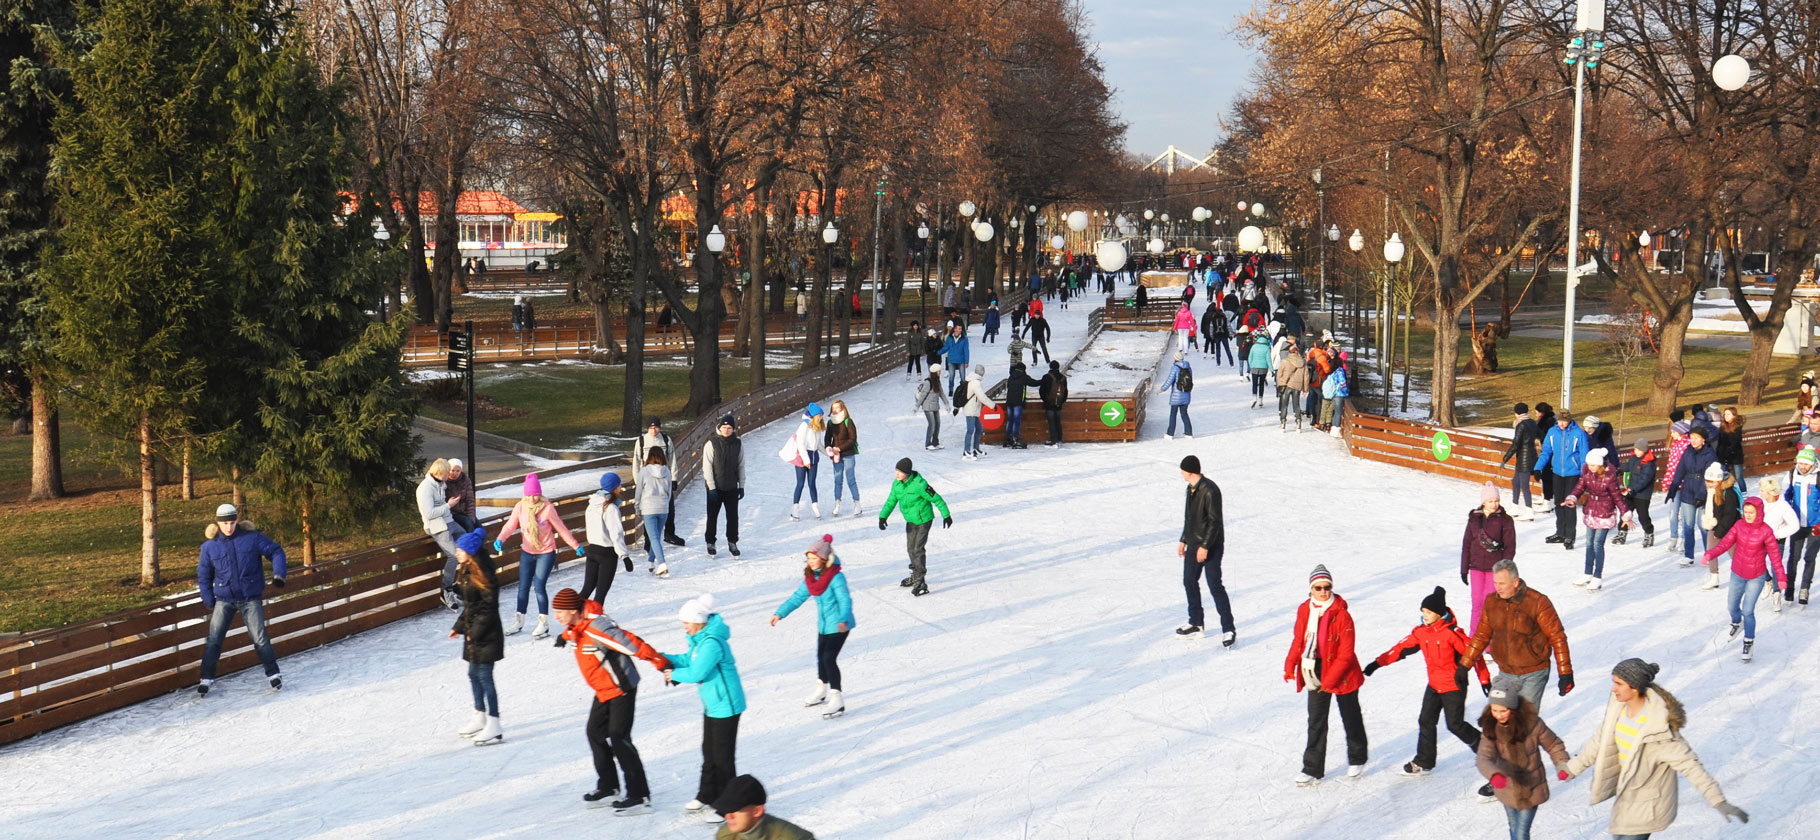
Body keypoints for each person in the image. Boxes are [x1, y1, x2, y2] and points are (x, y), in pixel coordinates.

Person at [1561, 659, 1751, 837]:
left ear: (1634, 688)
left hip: (1649, 807)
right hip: (1626, 800)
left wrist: (1718, 801)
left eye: (1618, 683)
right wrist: (1572, 768)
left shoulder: (1659, 728)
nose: (1613, 688)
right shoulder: (1618, 710)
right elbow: (1599, 742)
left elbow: (1690, 766)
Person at [553, 587, 671, 815]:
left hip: (621, 688)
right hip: (604, 690)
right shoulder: (576, 624)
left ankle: (639, 795)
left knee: (619, 738)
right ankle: (609, 787)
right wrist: (564, 636)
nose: (556, 616)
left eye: (559, 612)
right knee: (595, 733)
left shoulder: (598, 628)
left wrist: (660, 662)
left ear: (572, 610)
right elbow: (576, 629)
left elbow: (631, 643)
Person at [1361, 586, 1489, 776]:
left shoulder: (1452, 633)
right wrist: (1377, 663)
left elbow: (1475, 655)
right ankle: (1424, 761)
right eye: (1423, 612)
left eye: (1429, 612)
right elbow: (1400, 648)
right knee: (1426, 721)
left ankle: (1487, 751)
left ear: (1439, 613)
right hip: (1435, 685)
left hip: (1454, 685)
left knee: (1455, 725)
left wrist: (1485, 681)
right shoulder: (1422, 632)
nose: (1425, 615)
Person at [661, 594, 748, 824]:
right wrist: (662, 658)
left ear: (698, 620)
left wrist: (673, 674)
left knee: (723, 758)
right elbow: (688, 660)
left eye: (686, 622)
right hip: (713, 704)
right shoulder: (699, 640)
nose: (684, 626)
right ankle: (707, 794)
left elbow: (697, 672)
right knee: (709, 752)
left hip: (726, 706)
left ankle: (729, 806)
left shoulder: (711, 643)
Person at [1284, 564, 1367, 785]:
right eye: (1318, 587)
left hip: (1343, 672)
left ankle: (1357, 757)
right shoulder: (1305, 610)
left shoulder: (1342, 615)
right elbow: (1299, 639)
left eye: (1327, 587)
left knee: (1350, 716)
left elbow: (1346, 653)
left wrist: (1330, 681)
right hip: (1315, 669)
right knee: (1316, 720)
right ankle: (1312, 768)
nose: (1323, 592)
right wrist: (1289, 665)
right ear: (1311, 589)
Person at [1462, 560, 1574, 714]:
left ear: (1515, 582)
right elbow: (1481, 636)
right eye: (1495, 583)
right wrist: (1464, 666)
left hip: (1533, 673)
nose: (1497, 588)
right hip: (1505, 672)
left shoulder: (1537, 602)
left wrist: (1565, 672)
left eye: (1502, 583)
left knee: (1523, 724)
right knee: (1500, 721)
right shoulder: (1492, 602)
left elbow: (1557, 637)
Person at [196, 503, 286, 695]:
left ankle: (274, 674)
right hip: (224, 599)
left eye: (232, 522)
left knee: (260, 638)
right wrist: (208, 600)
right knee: (214, 640)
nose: (229, 527)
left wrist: (279, 574)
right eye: (225, 523)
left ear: (237, 521)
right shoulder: (210, 547)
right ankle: (206, 678)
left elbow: (276, 551)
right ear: (218, 524)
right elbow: (204, 575)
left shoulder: (251, 538)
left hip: (250, 597)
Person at [770, 534, 855, 719]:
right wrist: (780, 613)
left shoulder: (835, 577)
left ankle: (836, 697)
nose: (811, 561)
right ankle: (821, 689)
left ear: (824, 558)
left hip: (840, 624)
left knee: (828, 658)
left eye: (814, 558)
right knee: (820, 656)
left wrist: (843, 620)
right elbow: (797, 597)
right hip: (824, 625)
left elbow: (845, 600)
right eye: (808, 558)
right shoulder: (811, 578)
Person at [1477, 674, 1571, 839]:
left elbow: (1553, 744)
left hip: (1531, 788)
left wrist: (1562, 764)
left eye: (1503, 711)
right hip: (1506, 789)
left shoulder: (1532, 723)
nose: (1498, 715)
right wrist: (1495, 774)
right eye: (1494, 710)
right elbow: (1483, 757)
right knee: (1513, 828)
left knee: (1521, 834)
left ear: (1512, 708)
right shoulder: (1490, 727)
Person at [496, 473, 584, 637]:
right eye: (529, 495)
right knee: (523, 587)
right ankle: (519, 620)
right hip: (527, 552)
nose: (532, 498)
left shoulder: (548, 508)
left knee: (539, 586)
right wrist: (500, 539)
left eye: (535, 494)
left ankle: (543, 623)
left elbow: (561, 528)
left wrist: (575, 545)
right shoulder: (520, 507)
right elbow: (509, 526)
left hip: (546, 553)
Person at [1702, 497, 1785, 661]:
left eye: (1751, 512)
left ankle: (1748, 641)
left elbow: (1775, 557)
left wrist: (1781, 576)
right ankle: (1736, 623)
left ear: (1759, 513)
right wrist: (1710, 553)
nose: (1747, 515)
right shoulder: (1739, 526)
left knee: (1747, 610)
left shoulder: (1766, 531)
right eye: (1745, 512)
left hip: (1756, 576)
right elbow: (1725, 543)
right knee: (1732, 606)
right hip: (1738, 573)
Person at [449, 530, 504, 745]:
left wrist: (473, 633)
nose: (457, 553)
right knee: (473, 674)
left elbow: (488, 608)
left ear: (470, 552)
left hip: (487, 634)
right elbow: (472, 606)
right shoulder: (467, 570)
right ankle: (479, 715)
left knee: (485, 677)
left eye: (460, 550)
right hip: (475, 632)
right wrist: (459, 627)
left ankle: (494, 723)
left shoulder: (484, 575)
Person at [1176, 455, 1235, 645]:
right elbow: (1189, 518)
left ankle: (1229, 629)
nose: (1181, 473)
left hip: (1212, 545)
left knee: (1214, 585)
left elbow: (1214, 521)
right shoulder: (1190, 489)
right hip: (1194, 543)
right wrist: (1184, 540)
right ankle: (1196, 622)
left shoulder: (1210, 490)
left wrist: (1205, 546)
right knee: (1189, 581)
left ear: (1191, 471)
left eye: (1183, 470)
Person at [878, 457, 951, 597]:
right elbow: (890, 501)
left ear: (907, 472)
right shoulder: (897, 485)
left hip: (924, 519)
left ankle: (920, 581)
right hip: (911, 520)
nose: (897, 474)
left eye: (900, 472)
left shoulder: (920, 485)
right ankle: (915, 575)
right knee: (911, 549)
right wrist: (883, 516)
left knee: (918, 549)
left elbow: (937, 499)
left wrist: (946, 515)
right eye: (896, 471)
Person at [1564, 449, 1627, 589]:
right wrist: (1572, 498)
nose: (1590, 467)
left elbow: (1617, 496)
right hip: (1591, 511)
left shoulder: (1609, 477)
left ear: (1600, 465)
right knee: (1589, 543)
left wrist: (1625, 512)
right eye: (1589, 464)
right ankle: (1587, 573)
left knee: (1598, 544)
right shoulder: (1587, 473)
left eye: (1593, 465)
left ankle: (1597, 576)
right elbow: (1579, 488)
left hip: (1605, 512)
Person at [1461, 481, 1518, 634]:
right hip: (1476, 567)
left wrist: (1504, 569)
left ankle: (1489, 643)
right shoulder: (1474, 519)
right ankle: (1474, 639)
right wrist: (1464, 569)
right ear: (1484, 502)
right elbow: (1467, 544)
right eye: (1491, 501)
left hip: (1496, 569)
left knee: (1491, 604)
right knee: (1477, 603)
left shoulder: (1505, 520)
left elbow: (1510, 547)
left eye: (1496, 501)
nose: (1494, 504)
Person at [1663, 427, 1719, 565]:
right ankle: (1689, 555)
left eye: (1697, 438)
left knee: (1703, 525)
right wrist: (1673, 488)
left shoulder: (1709, 454)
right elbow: (1680, 470)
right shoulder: (1687, 451)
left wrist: (1702, 494)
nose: (1693, 441)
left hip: (1702, 491)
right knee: (1688, 525)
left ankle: (1709, 554)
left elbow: (1709, 477)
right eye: (1692, 437)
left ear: (1703, 439)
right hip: (1687, 491)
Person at [417, 459, 469, 604]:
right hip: (436, 526)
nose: (450, 475)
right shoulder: (425, 488)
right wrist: (448, 505)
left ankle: (459, 585)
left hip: (448, 521)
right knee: (453, 556)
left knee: (468, 545)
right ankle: (446, 591)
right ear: (440, 473)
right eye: (448, 472)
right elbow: (428, 514)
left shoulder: (440, 483)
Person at [1536, 410, 1590, 549]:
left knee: (1569, 503)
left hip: (1573, 473)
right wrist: (1538, 468)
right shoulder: (1553, 432)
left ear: (1569, 421)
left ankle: (1570, 536)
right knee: (1559, 502)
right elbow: (1546, 451)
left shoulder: (1579, 434)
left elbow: (1585, 456)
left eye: (1564, 421)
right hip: (1557, 472)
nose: (1561, 424)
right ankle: (1560, 532)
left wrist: (1585, 475)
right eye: (1560, 421)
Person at [633, 417, 686, 547]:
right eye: (651, 428)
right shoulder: (641, 441)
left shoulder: (666, 440)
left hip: (664, 478)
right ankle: (648, 539)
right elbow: (636, 462)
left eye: (656, 427)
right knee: (648, 510)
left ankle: (669, 534)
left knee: (669, 507)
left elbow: (672, 459)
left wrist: (674, 478)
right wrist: (637, 480)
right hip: (648, 479)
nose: (654, 430)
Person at [712, 775, 816, 840]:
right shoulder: (725, 835)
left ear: (757, 811)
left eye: (735, 809)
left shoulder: (793, 837)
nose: (728, 816)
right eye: (726, 809)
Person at [582, 472, 633, 603]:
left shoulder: (591, 505)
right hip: (607, 554)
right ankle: (594, 621)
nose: (621, 487)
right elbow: (616, 534)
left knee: (587, 589)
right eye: (619, 485)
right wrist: (625, 556)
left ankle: (572, 615)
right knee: (600, 594)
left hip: (592, 551)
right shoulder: (610, 508)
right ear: (615, 488)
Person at [702, 414, 745, 556]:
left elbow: (741, 465)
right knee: (712, 516)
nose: (726, 430)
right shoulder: (711, 443)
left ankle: (732, 541)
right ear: (719, 428)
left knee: (733, 517)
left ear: (733, 429)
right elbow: (707, 467)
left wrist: (741, 485)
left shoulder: (737, 444)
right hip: (715, 487)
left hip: (732, 487)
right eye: (724, 427)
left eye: (729, 428)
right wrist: (711, 487)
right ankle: (710, 541)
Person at [1696, 462, 1743, 588]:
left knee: (1735, 554)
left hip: (1730, 529)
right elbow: (1712, 508)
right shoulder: (1712, 491)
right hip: (1715, 525)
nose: (1709, 484)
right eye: (1707, 481)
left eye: (1712, 481)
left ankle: (1744, 576)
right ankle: (1714, 577)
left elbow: (1730, 515)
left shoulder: (1729, 493)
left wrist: (1720, 532)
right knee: (1711, 552)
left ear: (1719, 480)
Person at [1783, 445, 1820, 606]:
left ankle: (1805, 588)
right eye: (1801, 463)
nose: (1803, 467)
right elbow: (1784, 498)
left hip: (1815, 525)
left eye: (1806, 464)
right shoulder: (1791, 475)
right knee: (1794, 557)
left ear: (1813, 464)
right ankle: (1790, 587)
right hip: (1797, 524)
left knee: (1810, 557)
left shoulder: (1818, 477)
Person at [1757, 475, 1798, 614]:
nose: (1760, 493)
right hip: (1760, 539)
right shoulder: (1760, 502)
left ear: (1769, 492)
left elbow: (1794, 525)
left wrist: (1778, 534)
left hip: (1776, 540)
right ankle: (1767, 580)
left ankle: (1776, 594)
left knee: (1776, 566)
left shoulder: (1783, 506)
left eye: (1762, 490)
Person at [779, 404, 826, 520]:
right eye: (819, 415)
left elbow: (818, 445)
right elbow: (800, 444)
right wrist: (806, 460)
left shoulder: (817, 427)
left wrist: (828, 453)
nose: (821, 418)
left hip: (814, 457)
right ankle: (795, 510)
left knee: (812, 483)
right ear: (814, 415)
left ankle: (815, 507)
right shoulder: (804, 426)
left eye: (821, 416)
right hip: (803, 458)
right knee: (800, 483)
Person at [636, 448, 675, 578]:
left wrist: (637, 507)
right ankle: (651, 562)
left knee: (653, 537)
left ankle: (662, 564)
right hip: (663, 508)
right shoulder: (667, 471)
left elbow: (639, 491)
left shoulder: (644, 471)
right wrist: (665, 504)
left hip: (649, 508)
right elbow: (669, 492)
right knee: (656, 537)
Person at [1613, 440, 1656, 547]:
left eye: (1639, 450)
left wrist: (1633, 489)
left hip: (1642, 495)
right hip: (1631, 493)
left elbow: (1644, 480)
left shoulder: (1648, 463)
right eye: (1635, 449)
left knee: (1643, 516)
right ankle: (1622, 533)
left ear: (1644, 450)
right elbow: (1627, 467)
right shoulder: (1634, 459)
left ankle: (1649, 534)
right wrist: (1619, 470)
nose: (1636, 451)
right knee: (1625, 513)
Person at [1501, 403, 1540, 518]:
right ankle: (1515, 506)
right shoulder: (1532, 422)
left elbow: (1516, 443)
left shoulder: (1521, 425)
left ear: (1516, 413)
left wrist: (1505, 459)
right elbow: (1540, 435)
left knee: (1524, 484)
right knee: (1515, 482)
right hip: (1529, 456)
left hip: (1524, 459)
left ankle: (1529, 510)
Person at [824, 401, 862, 515]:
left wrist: (839, 448)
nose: (835, 410)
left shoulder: (848, 421)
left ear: (842, 409)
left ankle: (857, 504)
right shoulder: (830, 423)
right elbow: (827, 439)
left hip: (848, 454)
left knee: (851, 479)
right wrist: (828, 448)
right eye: (833, 408)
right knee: (838, 480)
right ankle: (837, 503)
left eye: (837, 408)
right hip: (836, 456)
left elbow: (852, 439)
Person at [959, 364, 996, 460]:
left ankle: (976, 449)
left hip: (975, 409)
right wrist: (992, 405)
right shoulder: (975, 382)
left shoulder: (974, 381)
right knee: (970, 430)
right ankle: (966, 451)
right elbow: (981, 397)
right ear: (981, 372)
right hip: (971, 410)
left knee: (979, 429)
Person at [1002, 362, 1042, 449]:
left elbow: (1008, 386)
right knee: (1016, 421)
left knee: (1010, 420)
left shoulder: (1011, 376)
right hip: (1018, 402)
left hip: (1009, 401)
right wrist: (1043, 381)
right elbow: (1033, 383)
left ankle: (1007, 439)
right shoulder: (1024, 377)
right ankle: (1016, 439)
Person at [1158, 351, 1195, 439]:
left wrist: (1162, 389)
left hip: (1176, 396)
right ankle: (1188, 433)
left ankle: (1170, 434)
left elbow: (1169, 380)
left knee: (1173, 414)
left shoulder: (1175, 368)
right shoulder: (1189, 368)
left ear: (1175, 358)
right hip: (1186, 394)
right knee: (1184, 413)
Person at [1276, 336, 1309, 432]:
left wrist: (1279, 384)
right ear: (1297, 352)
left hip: (1286, 386)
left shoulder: (1285, 361)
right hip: (1297, 386)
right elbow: (1306, 376)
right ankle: (1298, 422)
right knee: (1296, 404)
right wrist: (1305, 389)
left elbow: (1279, 374)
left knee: (1284, 405)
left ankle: (1283, 422)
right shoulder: (1303, 362)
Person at [1039, 360, 1069, 447]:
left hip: (1049, 404)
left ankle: (1053, 439)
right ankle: (1059, 439)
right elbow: (1065, 392)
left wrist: (1046, 400)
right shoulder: (1063, 378)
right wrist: (1061, 402)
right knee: (1058, 422)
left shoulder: (1046, 377)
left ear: (1050, 367)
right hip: (1059, 404)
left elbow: (1042, 391)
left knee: (1051, 422)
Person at [915, 369, 947, 451]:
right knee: (932, 424)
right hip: (928, 406)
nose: (940, 372)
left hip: (935, 406)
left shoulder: (937, 381)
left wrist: (947, 403)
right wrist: (917, 406)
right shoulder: (928, 382)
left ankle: (935, 442)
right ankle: (928, 443)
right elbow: (922, 395)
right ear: (934, 372)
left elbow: (941, 393)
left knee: (938, 424)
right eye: (938, 371)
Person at [445, 458, 479, 533]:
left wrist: (471, 517)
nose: (455, 473)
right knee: (468, 524)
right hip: (452, 513)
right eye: (452, 470)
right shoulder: (444, 481)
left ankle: (480, 544)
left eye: (458, 471)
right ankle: (469, 543)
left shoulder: (465, 480)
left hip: (464, 511)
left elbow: (470, 501)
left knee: (479, 528)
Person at [1715, 407, 1746, 485]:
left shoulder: (1737, 427)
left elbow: (1736, 442)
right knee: (1724, 476)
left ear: (1734, 415)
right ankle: (1727, 493)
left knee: (1739, 477)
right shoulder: (1723, 426)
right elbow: (1720, 442)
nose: (1726, 416)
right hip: (1723, 456)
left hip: (1735, 456)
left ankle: (1744, 494)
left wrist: (1729, 450)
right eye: (1725, 414)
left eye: (1728, 414)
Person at [1202, 301, 1233, 365]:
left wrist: (1212, 335)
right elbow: (1229, 327)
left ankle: (1218, 362)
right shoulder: (1225, 319)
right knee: (1227, 349)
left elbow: (1211, 328)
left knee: (1218, 349)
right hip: (1224, 335)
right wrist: (1230, 334)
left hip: (1217, 335)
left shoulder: (1213, 319)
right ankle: (1231, 362)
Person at [942, 324, 971, 392]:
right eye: (958, 328)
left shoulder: (964, 338)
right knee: (951, 376)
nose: (959, 330)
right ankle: (951, 390)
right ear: (954, 329)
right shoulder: (950, 338)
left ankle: (963, 391)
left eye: (960, 329)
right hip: (951, 359)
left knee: (963, 377)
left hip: (961, 360)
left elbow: (966, 350)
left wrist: (966, 361)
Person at [1246, 331, 1271, 407]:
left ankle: (1254, 398)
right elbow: (1268, 360)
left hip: (1254, 367)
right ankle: (1260, 400)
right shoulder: (1267, 348)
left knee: (1254, 383)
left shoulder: (1254, 347)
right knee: (1261, 384)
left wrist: (1251, 365)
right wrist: (1272, 370)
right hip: (1263, 368)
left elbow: (1250, 357)